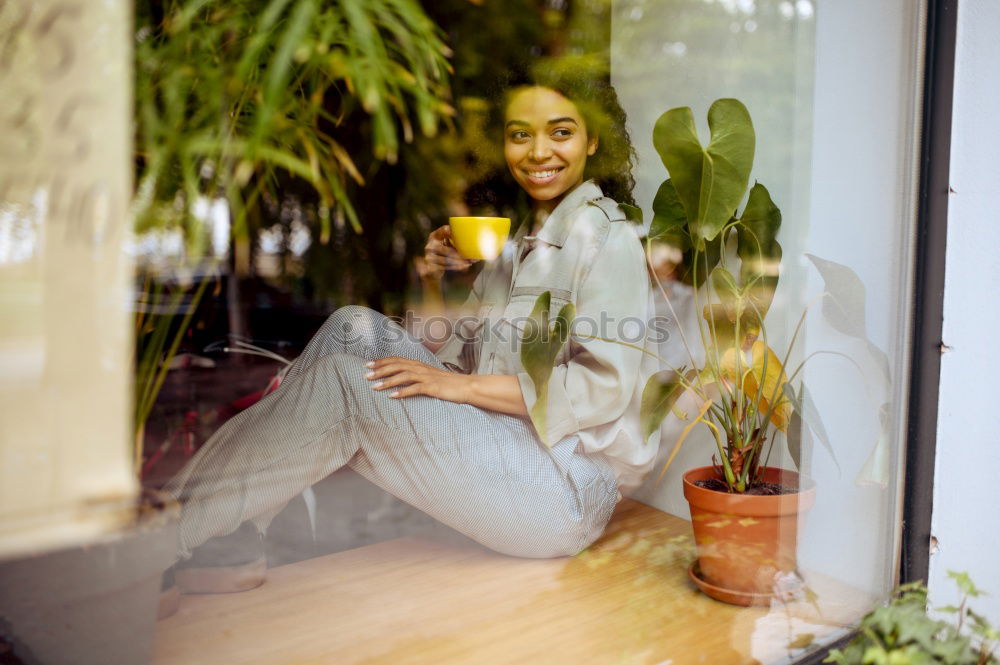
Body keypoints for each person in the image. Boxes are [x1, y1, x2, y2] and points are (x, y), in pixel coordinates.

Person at [164, 68, 660, 585]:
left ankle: (161, 541)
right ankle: (224, 528)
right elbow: (444, 363)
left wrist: (461, 386)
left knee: (345, 383)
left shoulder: (608, 238)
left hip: (562, 490)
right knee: (352, 327)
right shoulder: (517, 244)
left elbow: (603, 389)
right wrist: (432, 279)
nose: (538, 152)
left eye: (561, 132)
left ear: (593, 141)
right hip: (500, 444)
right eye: (520, 134)